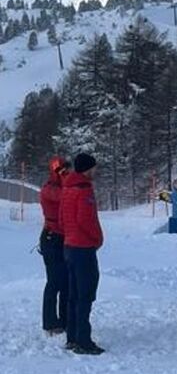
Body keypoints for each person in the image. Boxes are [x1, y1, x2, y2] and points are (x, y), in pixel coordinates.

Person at [61, 152, 104, 355]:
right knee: (85, 294)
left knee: (73, 294)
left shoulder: (67, 188)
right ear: (87, 169)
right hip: (83, 248)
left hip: (69, 246)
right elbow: (86, 220)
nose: (96, 171)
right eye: (94, 168)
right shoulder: (84, 190)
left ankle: (72, 337)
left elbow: (62, 219)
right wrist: (97, 239)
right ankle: (83, 340)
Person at [39, 156, 70, 335]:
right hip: (52, 238)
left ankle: (65, 319)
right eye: (63, 169)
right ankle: (50, 323)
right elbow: (65, 196)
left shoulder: (62, 186)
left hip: (64, 237)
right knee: (54, 281)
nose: (66, 172)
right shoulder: (49, 189)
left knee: (66, 281)